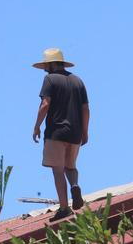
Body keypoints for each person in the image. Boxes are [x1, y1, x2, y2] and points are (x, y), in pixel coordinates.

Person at [32, 48, 90, 221]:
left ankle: (64, 207)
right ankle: (75, 185)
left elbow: (45, 104)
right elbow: (86, 109)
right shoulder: (77, 81)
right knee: (70, 166)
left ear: (50, 64)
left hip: (56, 132)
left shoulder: (49, 79)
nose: (44, 69)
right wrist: (85, 132)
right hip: (75, 133)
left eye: (45, 65)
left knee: (57, 170)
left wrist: (36, 126)